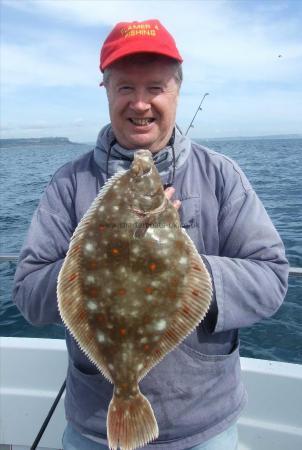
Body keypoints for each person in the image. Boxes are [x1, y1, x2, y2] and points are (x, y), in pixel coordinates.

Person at [13, 19, 288, 450]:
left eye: (155, 87)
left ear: (177, 90)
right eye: (125, 88)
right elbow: (28, 294)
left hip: (205, 424)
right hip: (93, 426)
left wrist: (182, 269)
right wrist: (98, 259)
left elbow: (272, 278)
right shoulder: (69, 183)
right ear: (106, 91)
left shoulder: (221, 176)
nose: (140, 104)